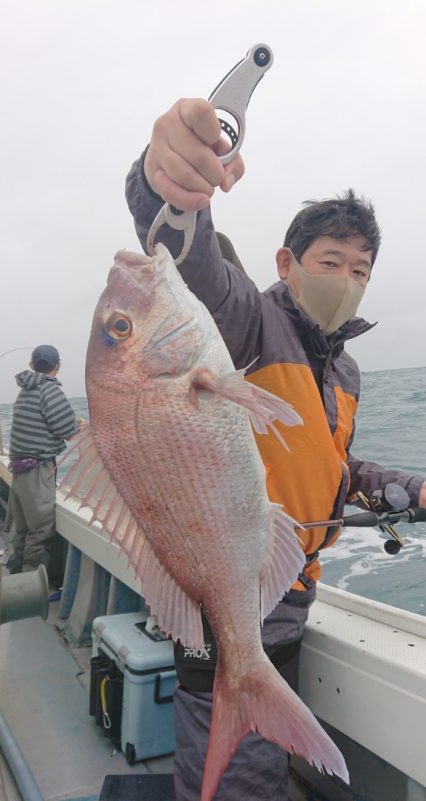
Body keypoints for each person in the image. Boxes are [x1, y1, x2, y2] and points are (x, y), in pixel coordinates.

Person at [125, 99, 426, 801]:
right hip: (220, 593)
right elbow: (189, 257)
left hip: (288, 599)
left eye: (361, 270)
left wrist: (409, 490)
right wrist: (163, 182)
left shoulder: (343, 371)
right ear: (288, 263)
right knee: (234, 779)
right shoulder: (245, 323)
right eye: (331, 261)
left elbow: (332, 467)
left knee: (254, 764)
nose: (346, 281)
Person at [7, 345, 78, 582]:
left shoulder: (26, 390)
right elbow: (68, 429)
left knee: (23, 528)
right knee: (40, 531)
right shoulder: (49, 390)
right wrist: (83, 428)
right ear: (57, 366)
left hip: (20, 470)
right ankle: (29, 588)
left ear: (31, 365)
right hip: (37, 471)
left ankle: (15, 575)